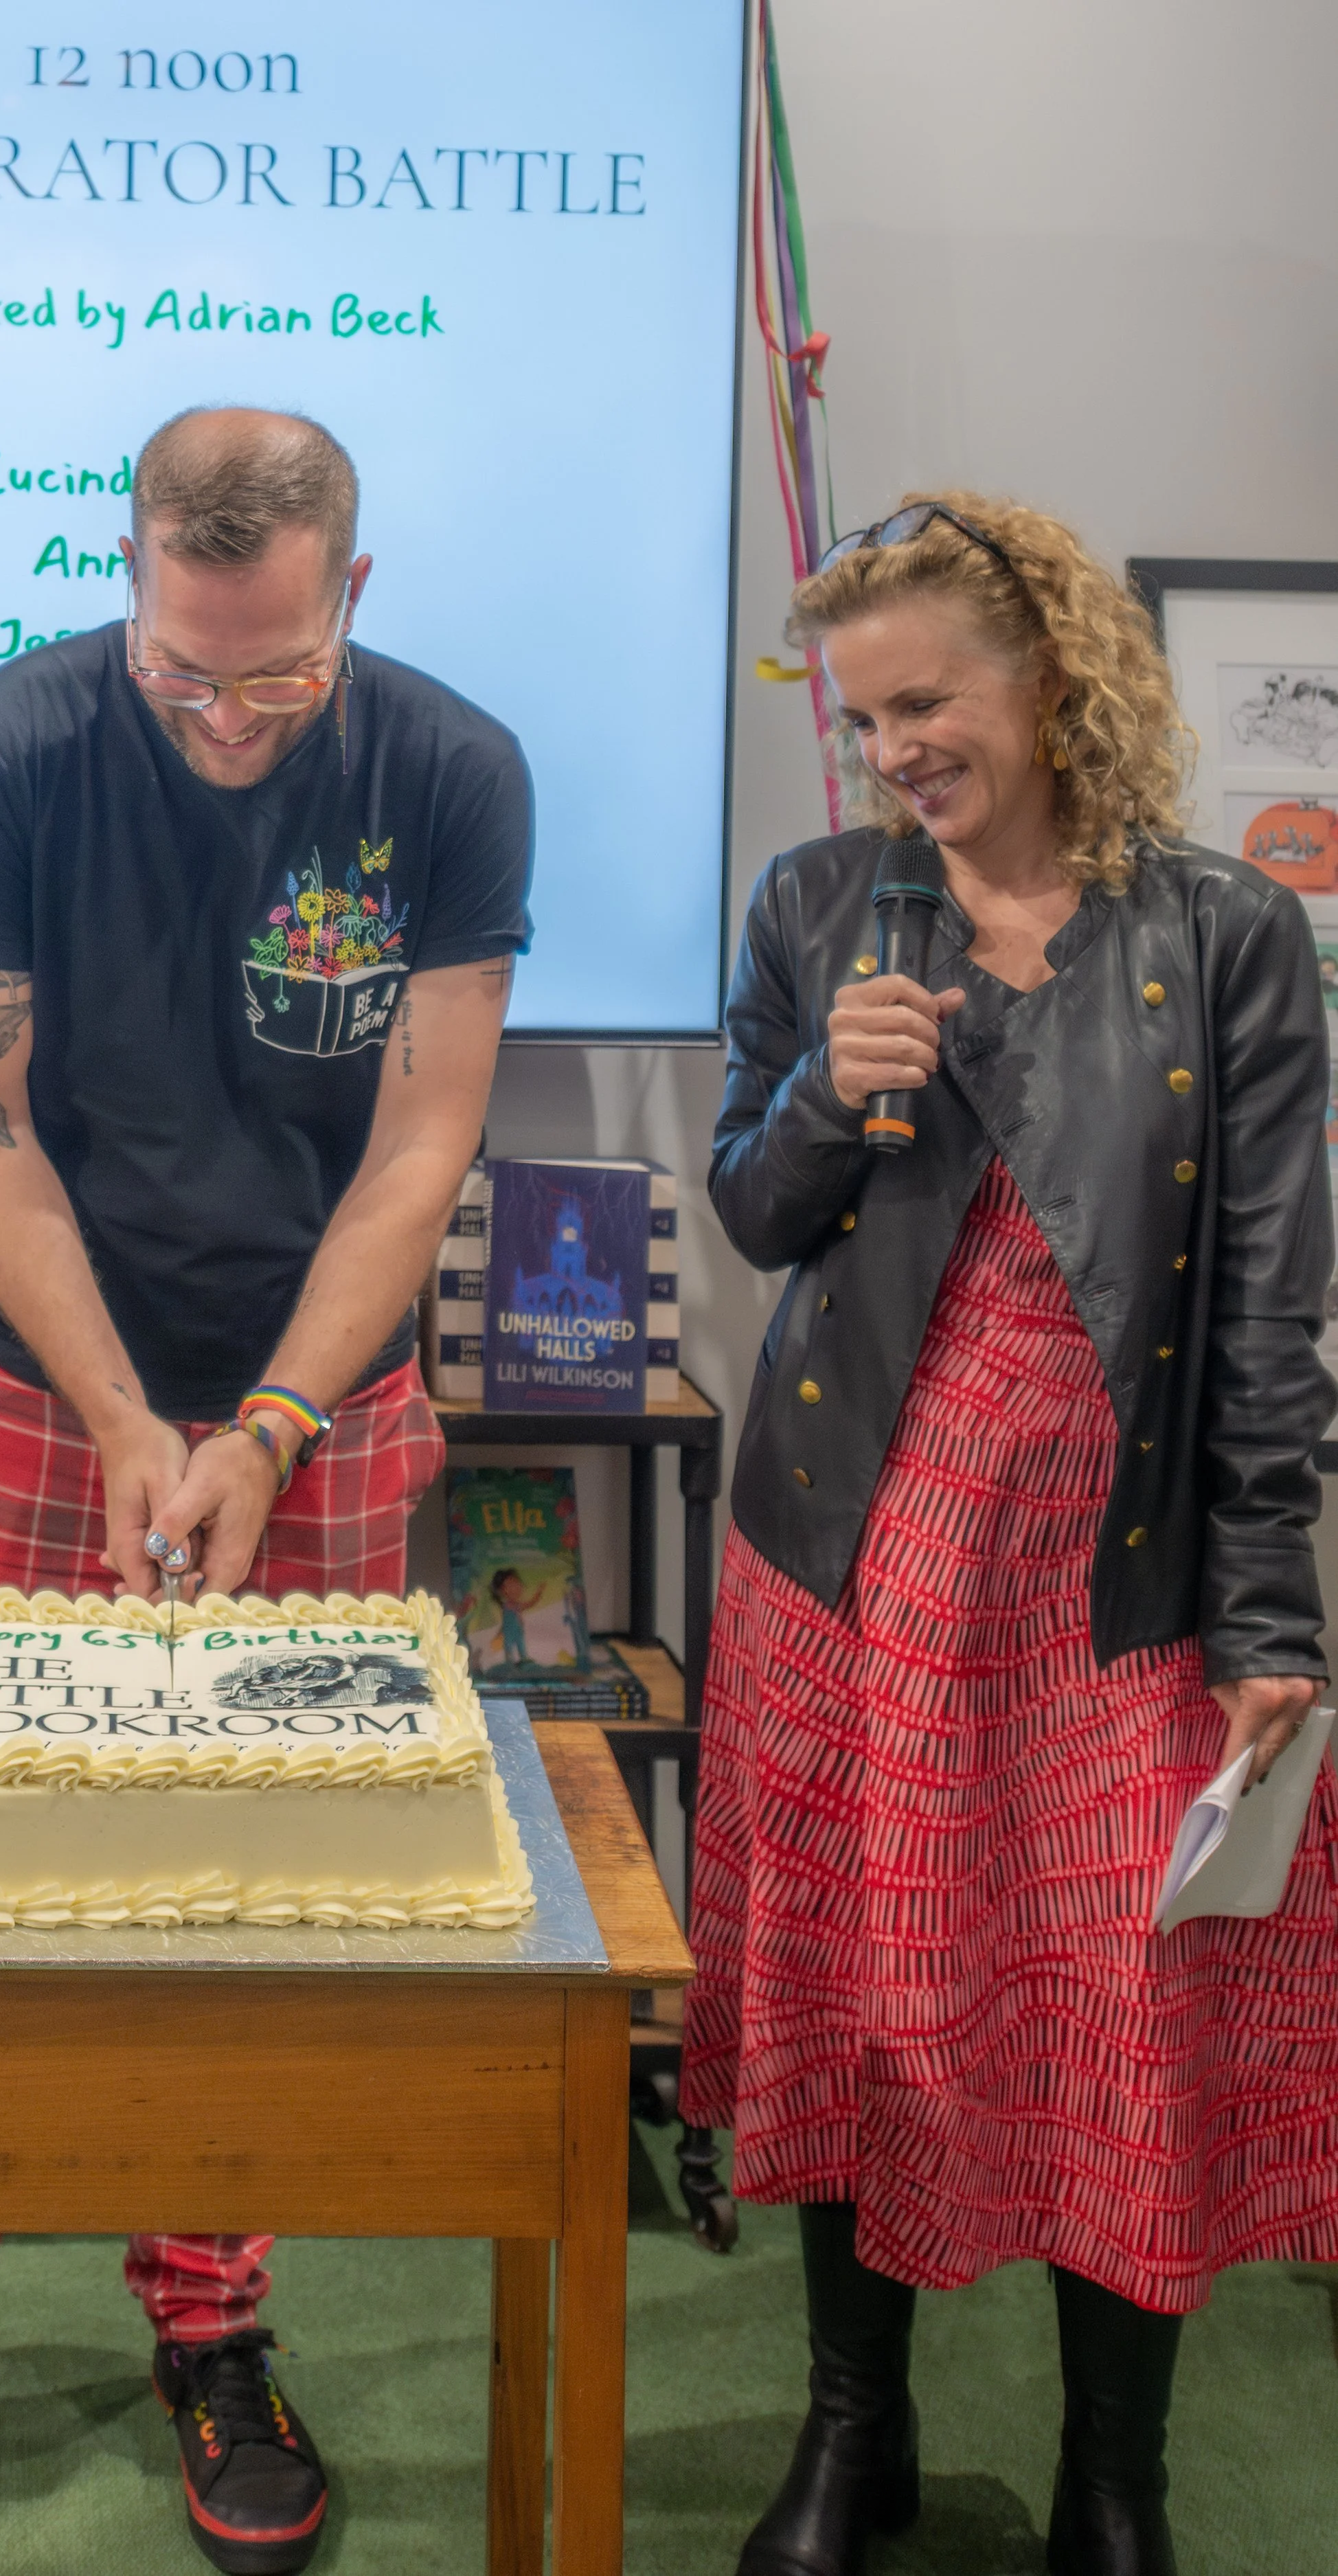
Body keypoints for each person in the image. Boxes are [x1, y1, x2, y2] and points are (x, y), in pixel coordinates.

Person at [0, 408, 532, 2576]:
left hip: (318, 1381)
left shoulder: (448, 768)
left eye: (274, 678)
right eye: (180, 671)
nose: (224, 721)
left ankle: (213, 2322)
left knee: (243, 1875)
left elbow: (420, 1145)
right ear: (124, 585)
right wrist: (128, 1420)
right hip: (52, 1381)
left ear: (352, 599)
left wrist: (271, 1428)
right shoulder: (4, 744)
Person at [681, 493, 1338, 2576]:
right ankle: (851, 2432)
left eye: (927, 704)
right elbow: (756, 1216)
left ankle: (1113, 2479)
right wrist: (820, 1100)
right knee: (863, 1989)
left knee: (1116, 2013)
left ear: (1049, 679)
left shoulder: (1224, 930)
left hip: (1107, 1577)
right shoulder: (817, 906)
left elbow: (1263, 1307)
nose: (897, 753)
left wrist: (1264, 1605)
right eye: (867, 719)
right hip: (845, 1557)